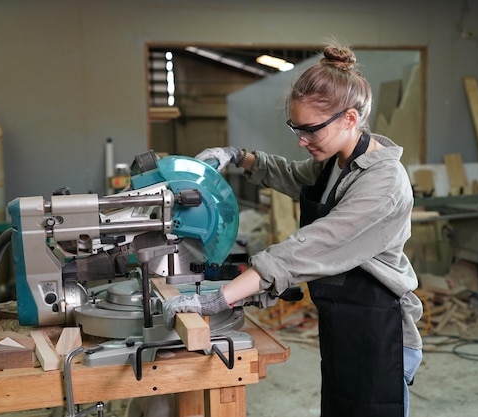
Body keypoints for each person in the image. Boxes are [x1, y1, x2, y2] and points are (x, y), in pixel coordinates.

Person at [162, 40, 423, 417]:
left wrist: (221, 298)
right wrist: (237, 156)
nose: (302, 140)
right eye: (295, 128)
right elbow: (291, 174)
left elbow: (312, 246)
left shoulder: (383, 183)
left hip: (379, 329)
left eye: (311, 130)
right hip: (342, 321)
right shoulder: (337, 161)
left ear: (350, 118)